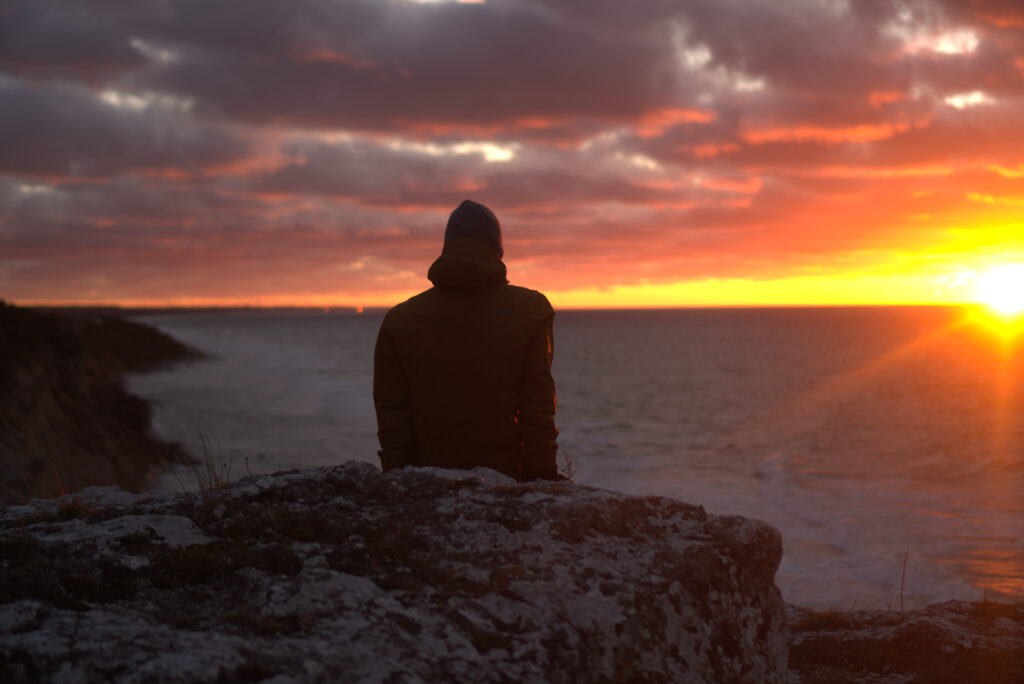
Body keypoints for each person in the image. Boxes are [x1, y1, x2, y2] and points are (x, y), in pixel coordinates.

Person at [373, 199, 559, 481]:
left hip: (425, 484)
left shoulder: (399, 321)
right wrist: (543, 480)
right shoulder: (531, 310)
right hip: (505, 482)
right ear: (498, 252)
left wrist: (398, 484)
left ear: (446, 249)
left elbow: (393, 417)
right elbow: (538, 409)